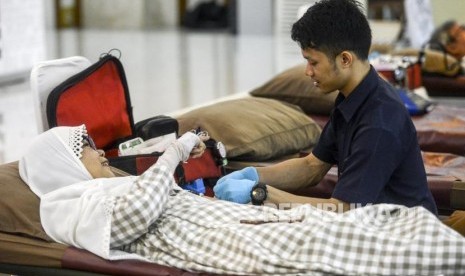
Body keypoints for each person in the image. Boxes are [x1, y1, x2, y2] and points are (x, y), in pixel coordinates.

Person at [18, 124, 465, 275]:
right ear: (62, 165)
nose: (98, 151)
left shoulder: (103, 186)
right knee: (351, 244)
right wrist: (171, 152)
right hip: (226, 241)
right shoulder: (64, 204)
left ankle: (445, 241)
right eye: (85, 148)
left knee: (372, 222)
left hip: (236, 223)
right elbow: (135, 215)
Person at [214, 0, 437, 215]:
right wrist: (252, 176)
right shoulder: (352, 98)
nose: (307, 71)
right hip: (368, 222)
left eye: (314, 62)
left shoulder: (380, 121)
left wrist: (260, 194)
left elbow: (344, 210)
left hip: (401, 237)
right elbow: (312, 166)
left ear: (345, 60)